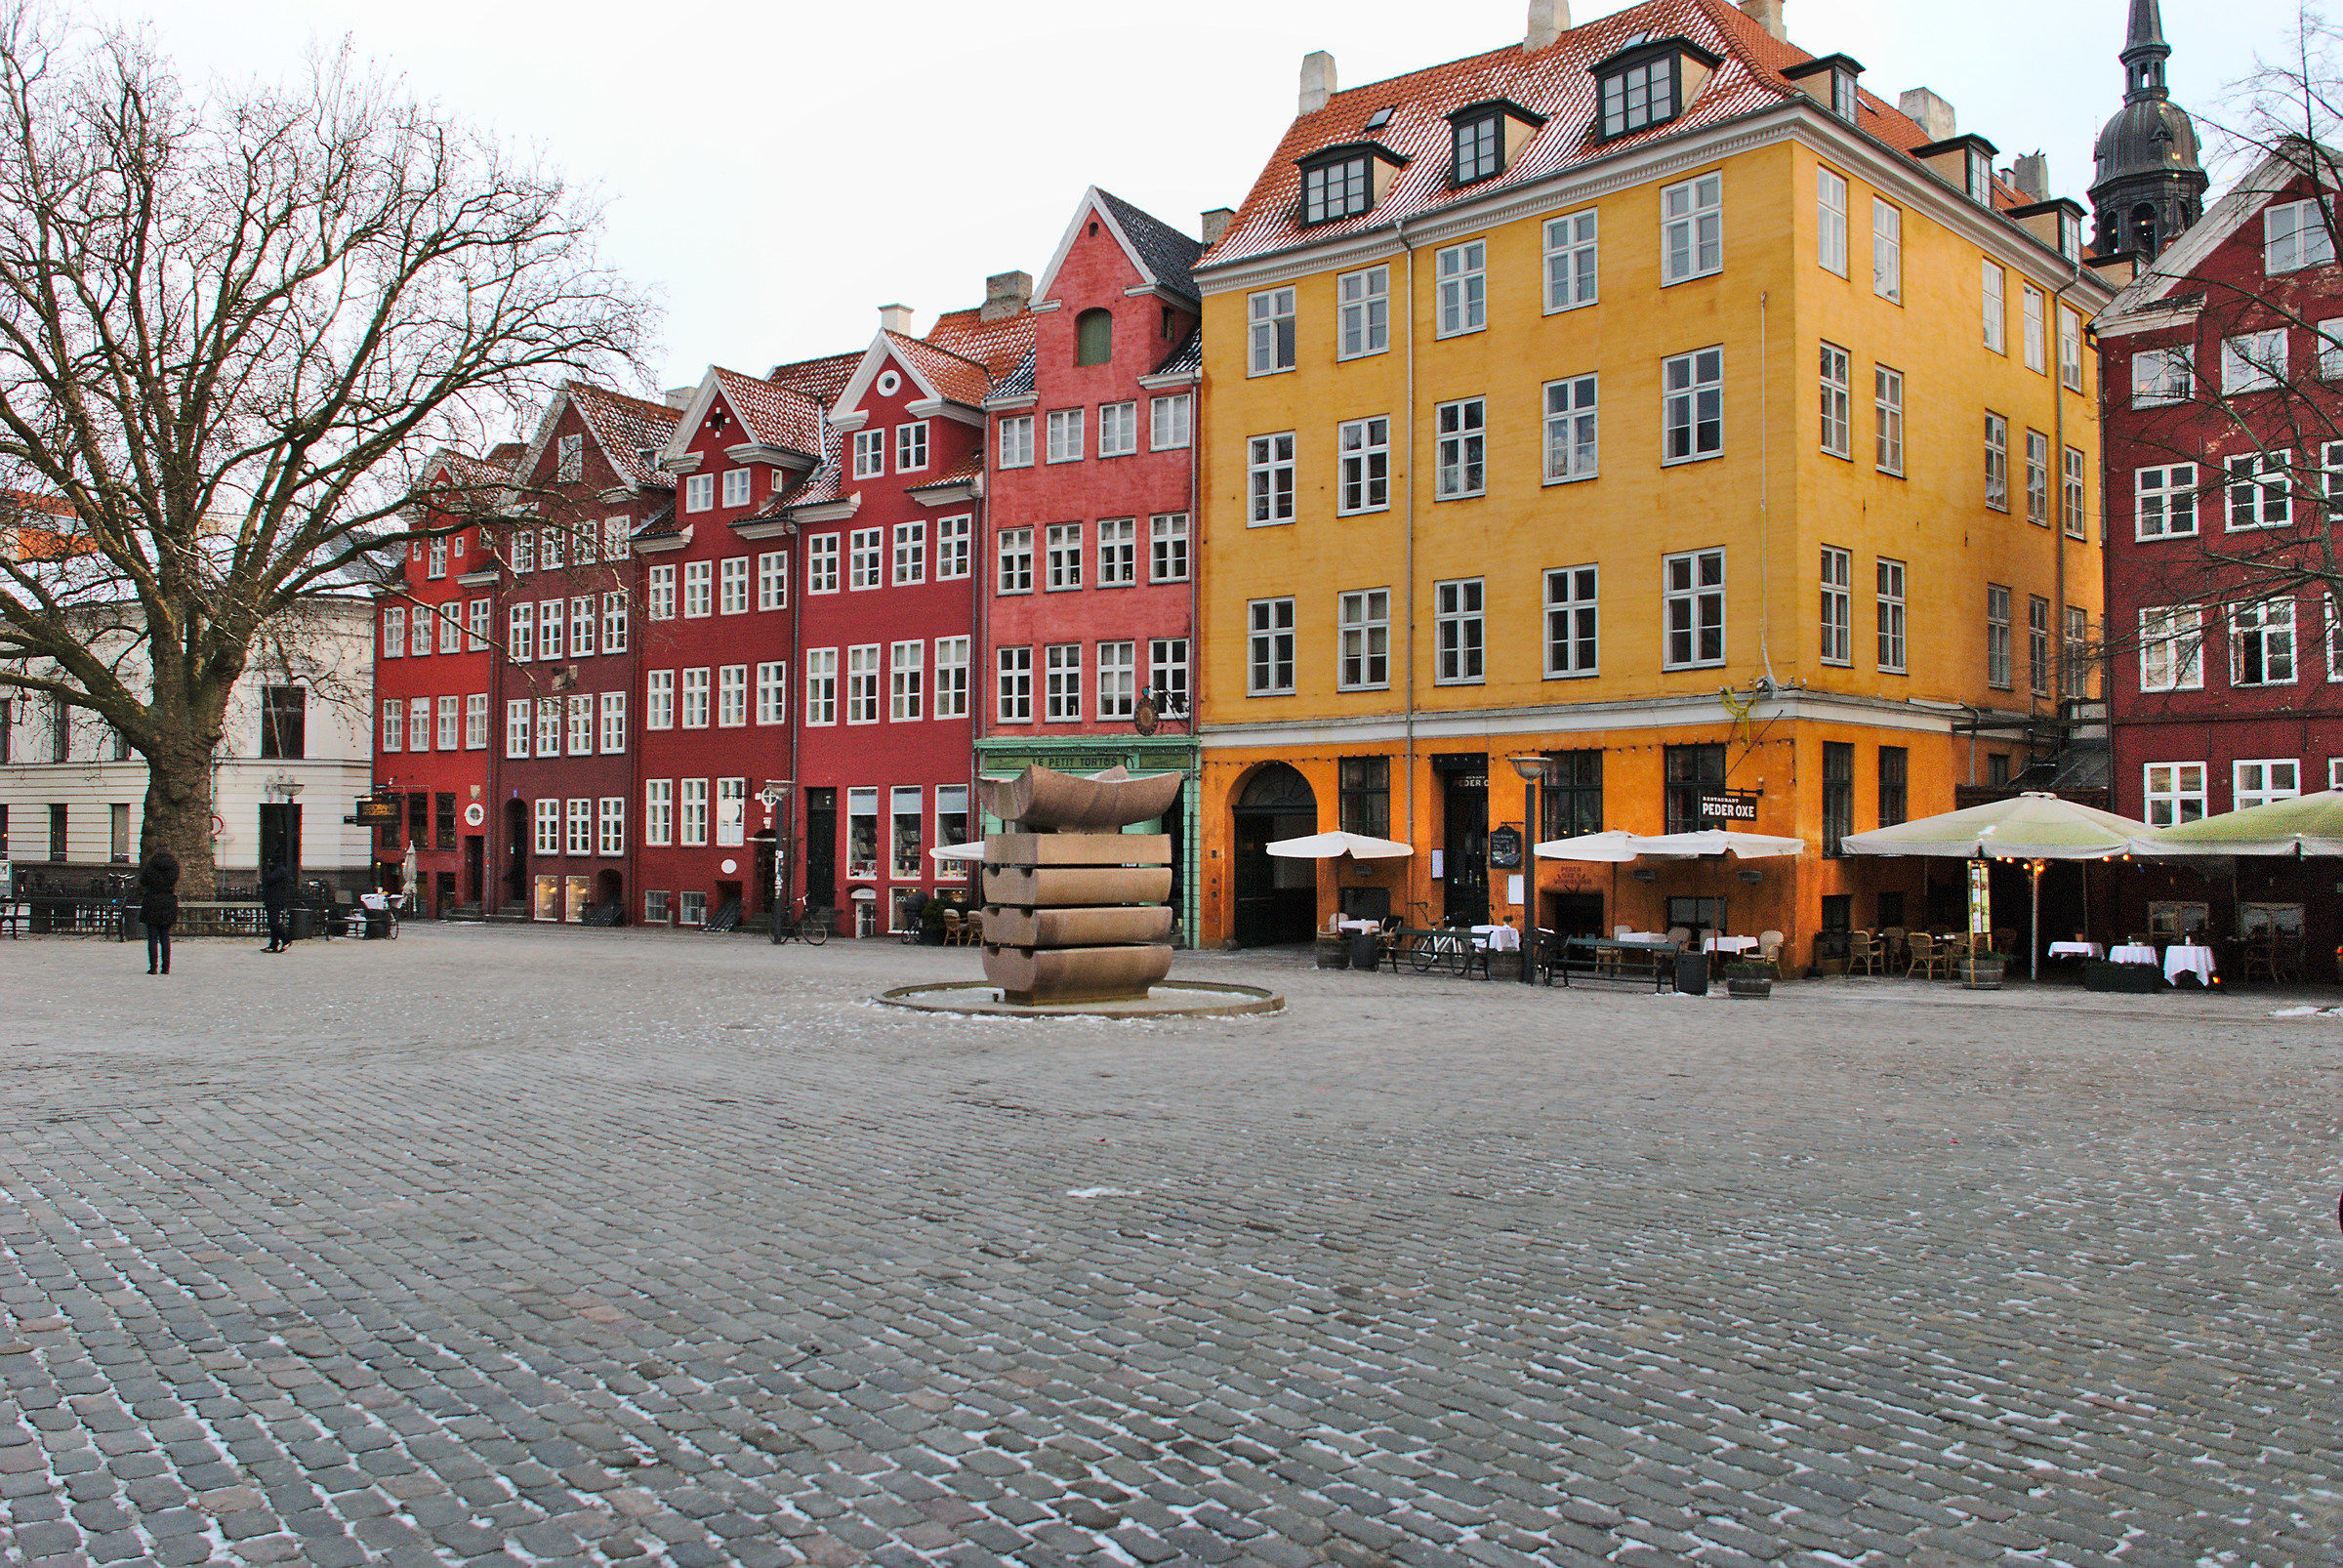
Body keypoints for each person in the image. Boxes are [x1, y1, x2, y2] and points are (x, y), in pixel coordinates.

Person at [139, 849, 180, 975]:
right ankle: (166, 967)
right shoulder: (173, 867)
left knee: (152, 938)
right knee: (165, 937)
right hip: (168, 902)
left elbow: (143, 881)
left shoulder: (150, 866)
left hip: (152, 902)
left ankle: (153, 967)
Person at [261, 856, 293, 953]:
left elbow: (269, 879)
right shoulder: (278, 870)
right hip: (272, 900)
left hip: (275, 900)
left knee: (273, 922)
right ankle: (273, 944)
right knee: (271, 923)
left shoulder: (280, 871)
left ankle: (285, 939)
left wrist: (266, 870)